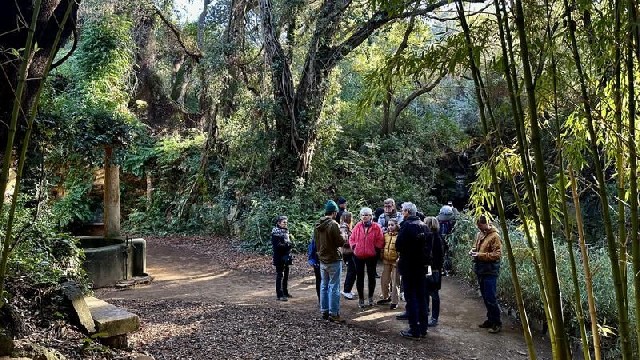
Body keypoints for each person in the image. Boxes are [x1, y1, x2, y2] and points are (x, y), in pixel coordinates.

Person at [395, 202, 431, 340]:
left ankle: (414, 329)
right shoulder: (425, 226)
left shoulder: (406, 226)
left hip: (409, 266)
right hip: (421, 267)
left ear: (407, 212)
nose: (402, 213)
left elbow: (398, 245)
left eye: (403, 211)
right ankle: (423, 328)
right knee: (422, 297)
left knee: (411, 298)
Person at [315, 200, 346, 323]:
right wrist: (343, 235)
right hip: (333, 259)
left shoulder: (317, 224)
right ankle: (334, 314)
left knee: (324, 285)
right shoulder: (333, 224)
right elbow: (339, 242)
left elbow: (316, 242)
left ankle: (324, 311)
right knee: (334, 286)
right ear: (334, 213)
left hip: (322, 259)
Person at [471, 215, 502, 334]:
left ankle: (497, 323)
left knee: (490, 297)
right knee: (485, 296)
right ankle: (490, 319)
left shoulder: (495, 236)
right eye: (478, 227)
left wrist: (480, 255)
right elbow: (476, 246)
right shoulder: (480, 234)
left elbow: (497, 254)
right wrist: (473, 251)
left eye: (481, 226)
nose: (479, 229)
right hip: (480, 269)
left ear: (487, 224)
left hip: (490, 270)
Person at [349, 207, 384, 308]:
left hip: (371, 256)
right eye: (363, 215)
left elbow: (380, 240)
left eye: (367, 215)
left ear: (370, 216)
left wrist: (375, 249)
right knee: (359, 277)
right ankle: (361, 299)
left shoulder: (376, 227)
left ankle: (370, 297)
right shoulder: (357, 226)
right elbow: (351, 238)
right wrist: (354, 247)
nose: (365, 216)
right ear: (361, 216)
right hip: (358, 255)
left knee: (371, 276)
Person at [424, 216, 444, 327]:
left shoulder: (433, 238)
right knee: (428, 292)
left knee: (433, 293)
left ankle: (433, 318)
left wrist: (428, 268)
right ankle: (428, 314)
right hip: (434, 269)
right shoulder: (437, 237)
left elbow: (432, 256)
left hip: (432, 269)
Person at [378, 218, 400, 310]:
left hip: (396, 262)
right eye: (389, 225)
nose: (390, 227)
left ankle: (394, 301)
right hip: (386, 260)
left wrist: (399, 259)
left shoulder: (399, 236)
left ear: (396, 226)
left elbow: (401, 249)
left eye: (392, 225)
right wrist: (382, 255)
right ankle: (385, 296)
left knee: (395, 281)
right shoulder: (385, 235)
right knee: (384, 280)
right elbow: (383, 246)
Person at [271, 215, 293, 301]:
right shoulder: (275, 233)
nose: (285, 224)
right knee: (280, 275)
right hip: (279, 257)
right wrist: (287, 245)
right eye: (284, 222)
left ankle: (285, 292)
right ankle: (279, 295)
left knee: (286, 275)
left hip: (286, 256)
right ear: (278, 223)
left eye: (286, 222)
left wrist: (290, 245)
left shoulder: (285, 232)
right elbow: (277, 246)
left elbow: (288, 243)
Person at [339, 211, 357, 300]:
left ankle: (348, 289)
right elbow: (344, 241)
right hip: (348, 252)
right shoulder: (343, 227)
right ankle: (346, 291)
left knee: (352, 271)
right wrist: (353, 242)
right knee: (352, 271)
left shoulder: (346, 227)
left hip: (350, 252)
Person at [307, 234, 321, 302]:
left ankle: (322, 300)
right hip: (318, 262)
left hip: (321, 261)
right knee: (320, 280)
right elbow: (311, 249)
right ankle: (321, 300)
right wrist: (312, 261)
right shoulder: (315, 237)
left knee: (321, 281)